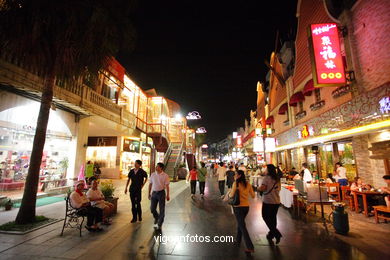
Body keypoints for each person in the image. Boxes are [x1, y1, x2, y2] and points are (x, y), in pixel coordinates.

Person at [229, 170, 255, 254]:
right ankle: (238, 239)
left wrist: (229, 193)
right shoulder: (248, 184)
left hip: (238, 207)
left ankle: (250, 247)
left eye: (236, 174)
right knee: (241, 224)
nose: (234, 176)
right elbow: (253, 195)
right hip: (246, 207)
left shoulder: (235, 184)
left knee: (242, 226)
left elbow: (231, 195)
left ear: (239, 175)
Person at [258, 164, 282, 244]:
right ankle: (271, 235)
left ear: (268, 170)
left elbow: (263, 188)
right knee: (273, 218)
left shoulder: (267, 178)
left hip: (268, 201)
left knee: (265, 216)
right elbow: (279, 189)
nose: (265, 170)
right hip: (276, 201)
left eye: (266, 169)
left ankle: (276, 233)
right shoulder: (277, 178)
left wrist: (258, 188)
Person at [148, 162, 170, 230]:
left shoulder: (165, 175)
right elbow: (150, 184)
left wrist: (168, 195)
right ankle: (157, 217)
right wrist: (149, 193)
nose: (156, 167)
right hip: (154, 193)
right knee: (152, 209)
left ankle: (160, 223)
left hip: (161, 193)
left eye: (157, 166)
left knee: (162, 209)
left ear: (161, 168)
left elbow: (167, 186)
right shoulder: (153, 174)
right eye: (156, 166)